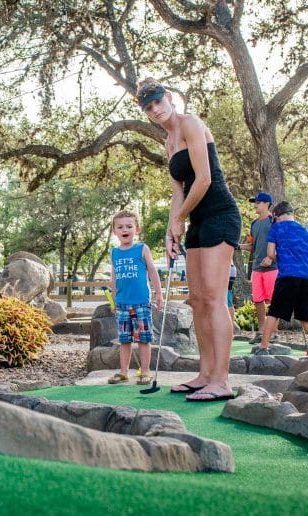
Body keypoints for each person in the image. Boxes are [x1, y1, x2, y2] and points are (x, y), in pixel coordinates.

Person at [138, 78, 241, 402]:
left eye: (158, 101)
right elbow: (178, 191)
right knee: (196, 300)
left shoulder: (191, 124)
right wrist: (172, 228)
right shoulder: (168, 143)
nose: (155, 109)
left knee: (213, 299)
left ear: (169, 97)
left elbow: (205, 179)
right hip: (195, 219)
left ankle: (222, 381)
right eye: (148, 106)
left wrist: (181, 217)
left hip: (220, 214)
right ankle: (205, 374)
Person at [254, 201, 308, 356]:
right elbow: (304, 251)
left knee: (274, 312)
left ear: (276, 216)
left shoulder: (276, 228)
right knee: (305, 315)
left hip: (287, 275)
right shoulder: (304, 230)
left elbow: (270, 253)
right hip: (306, 277)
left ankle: (263, 347)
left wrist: (275, 258)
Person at [107, 210, 163, 385]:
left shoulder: (142, 249)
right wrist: (114, 300)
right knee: (124, 339)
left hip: (141, 302)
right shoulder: (114, 252)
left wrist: (159, 294)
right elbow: (114, 278)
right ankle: (123, 372)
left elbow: (153, 272)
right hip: (122, 303)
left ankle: (145, 372)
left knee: (144, 338)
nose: (125, 229)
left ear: (136, 229)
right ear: (114, 231)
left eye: (129, 226)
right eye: (120, 227)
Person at [239, 192, 279, 342]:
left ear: (267, 204)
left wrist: (270, 257)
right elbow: (252, 246)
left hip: (272, 267)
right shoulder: (254, 224)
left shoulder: (273, 222)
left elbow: (280, 243)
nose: (255, 205)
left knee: (273, 301)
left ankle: (274, 332)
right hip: (256, 268)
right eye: (255, 202)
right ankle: (262, 332)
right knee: (258, 300)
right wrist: (237, 246)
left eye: (258, 202)